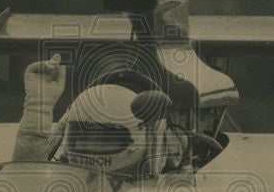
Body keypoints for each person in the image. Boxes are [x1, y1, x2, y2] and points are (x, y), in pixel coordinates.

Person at [12, 55, 187, 177]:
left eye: (106, 139)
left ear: (143, 137)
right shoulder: (64, 183)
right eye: (83, 138)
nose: (92, 145)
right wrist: (38, 108)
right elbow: (25, 184)